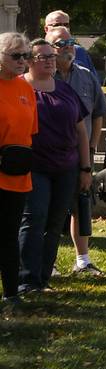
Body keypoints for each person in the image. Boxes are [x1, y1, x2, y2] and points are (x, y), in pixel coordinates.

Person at [17, 38, 86, 293]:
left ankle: (43, 278)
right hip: (33, 165)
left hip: (66, 166)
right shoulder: (19, 87)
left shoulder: (65, 90)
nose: (49, 61)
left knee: (55, 222)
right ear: (29, 61)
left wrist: (86, 168)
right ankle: (27, 279)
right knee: (34, 219)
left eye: (51, 56)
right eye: (42, 57)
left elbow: (81, 130)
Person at [48, 25, 106, 275]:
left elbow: (98, 114)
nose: (69, 46)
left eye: (71, 41)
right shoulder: (43, 76)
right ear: (50, 49)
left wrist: (92, 147)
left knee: (80, 205)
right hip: (49, 155)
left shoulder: (85, 75)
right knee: (48, 207)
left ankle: (82, 260)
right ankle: (47, 262)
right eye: (62, 43)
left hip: (80, 154)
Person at [0, 32, 39, 304]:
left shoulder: (25, 88)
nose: (22, 61)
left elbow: (29, 132)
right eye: (15, 56)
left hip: (17, 174)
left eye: (25, 55)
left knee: (9, 235)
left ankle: (11, 293)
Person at [43, 9, 97, 74]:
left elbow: (93, 80)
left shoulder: (80, 52)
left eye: (66, 25)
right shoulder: (37, 53)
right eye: (57, 25)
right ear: (46, 29)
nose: (63, 28)